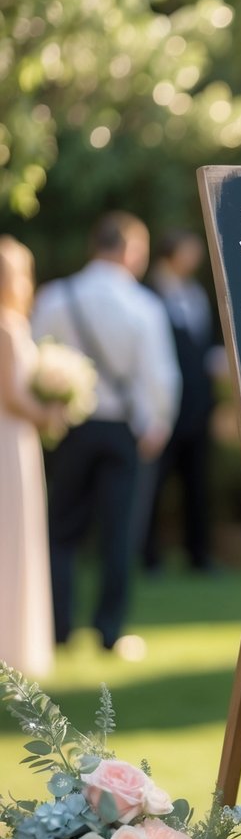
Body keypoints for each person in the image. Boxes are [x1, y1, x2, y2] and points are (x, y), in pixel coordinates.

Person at [32, 212, 180, 654]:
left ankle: (56, 628)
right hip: (124, 431)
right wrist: (159, 423)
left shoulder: (58, 296)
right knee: (119, 534)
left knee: (61, 531)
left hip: (71, 427)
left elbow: (37, 357)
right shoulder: (144, 306)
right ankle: (108, 630)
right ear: (131, 250)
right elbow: (159, 375)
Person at [0, 237, 65, 676]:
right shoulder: (5, 327)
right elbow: (10, 396)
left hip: (16, 440)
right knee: (11, 535)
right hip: (9, 440)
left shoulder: (13, 323)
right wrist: (51, 411)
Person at [142, 229, 219, 572]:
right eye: (190, 251)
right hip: (161, 403)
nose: (196, 258)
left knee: (197, 482)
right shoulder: (148, 294)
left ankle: (198, 554)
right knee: (154, 483)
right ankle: (148, 556)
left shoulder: (196, 293)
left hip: (197, 404)